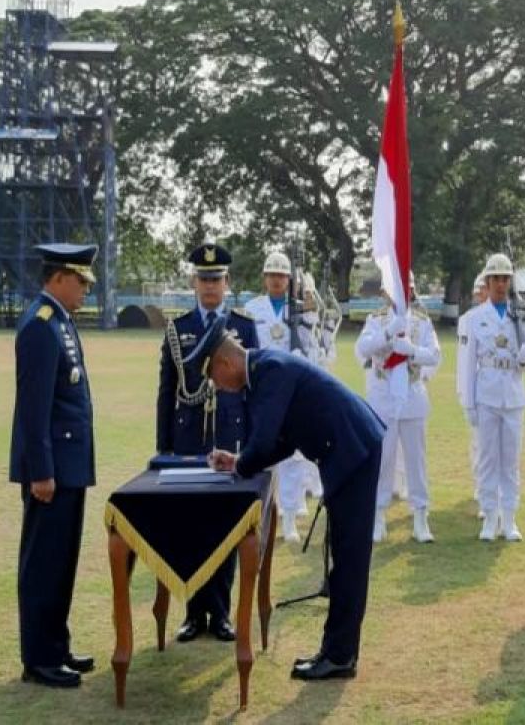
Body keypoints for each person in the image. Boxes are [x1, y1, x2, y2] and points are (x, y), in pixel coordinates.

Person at [195, 318, 384, 680]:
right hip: (348, 448)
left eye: (214, 380)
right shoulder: (264, 372)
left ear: (225, 364)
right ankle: (337, 651)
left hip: (353, 449)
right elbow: (283, 441)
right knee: (345, 555)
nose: (218, 388)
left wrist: (243, 464)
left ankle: (340, 655)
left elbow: (266, 441)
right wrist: (239, 461)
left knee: (349, 557)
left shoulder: (270, 370)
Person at [155, 242, 259, 643]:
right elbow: (167, 390)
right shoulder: (177, 329)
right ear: (193, 282)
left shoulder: (244, 328)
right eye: (204, 279)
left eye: (216, 279)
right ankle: (193, 612)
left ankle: (221, 613)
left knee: (226, 524)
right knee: (189, 525)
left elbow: (253, 389)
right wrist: (163, 447)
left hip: (230, 438)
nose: (210, 286)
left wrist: (251, 445)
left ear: (227, 282)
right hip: (187, 440)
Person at [10, 243, 99, 689]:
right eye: (81, 282)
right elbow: (34, 408)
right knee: (43, 563)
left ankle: (56, 645)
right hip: (51, 470)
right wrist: (40, 470)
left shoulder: (59, 320)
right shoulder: (40, 326)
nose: (85, 291)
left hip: (69, 465)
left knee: (62, 561)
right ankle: (39, 659)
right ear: (59, 277)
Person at [245, 251, 327, 543]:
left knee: (292, 456)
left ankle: (290, 518)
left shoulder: (301, 308)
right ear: (265, 278)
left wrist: (307, 319)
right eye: (272, 275)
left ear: (289, 280)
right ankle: (259, 513)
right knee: (262, 452)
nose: (277, 280)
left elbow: (312, 346)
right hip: (263, 390)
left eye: (282, 276)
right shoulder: (251, 309)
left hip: (292, 390)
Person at [455, 254, 525, 541]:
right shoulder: (476, 319)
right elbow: (467, 364)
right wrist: (468, 403)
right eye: (496, 278)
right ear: (487, 282)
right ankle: (490, 517)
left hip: (513, 395)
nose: (501, 284)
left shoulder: (520, 315)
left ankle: (509, 519)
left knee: (510, 461)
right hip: (487, 395)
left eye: (505, 278)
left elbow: (524, 362)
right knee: (488, 459)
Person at [355, 288, 442, 543]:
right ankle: (378, 515)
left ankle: (420, 516)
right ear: (386, 292)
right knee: (383, 460)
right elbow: (363, 348)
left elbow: (435, 356)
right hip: (383, 398)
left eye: (407, 288)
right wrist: (387, 333)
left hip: (413, 397)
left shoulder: (422, 320)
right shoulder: (376, 318)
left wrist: (412, 350)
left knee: (417, 461)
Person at [459, 272, 489, 518]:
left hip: (492, 389)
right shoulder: (469, 319)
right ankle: (482, 490)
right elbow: (464, 361)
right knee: (479, 445)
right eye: (479, 291)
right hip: (476, 389)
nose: (482, 295)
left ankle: (493, 493)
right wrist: (465, 395)